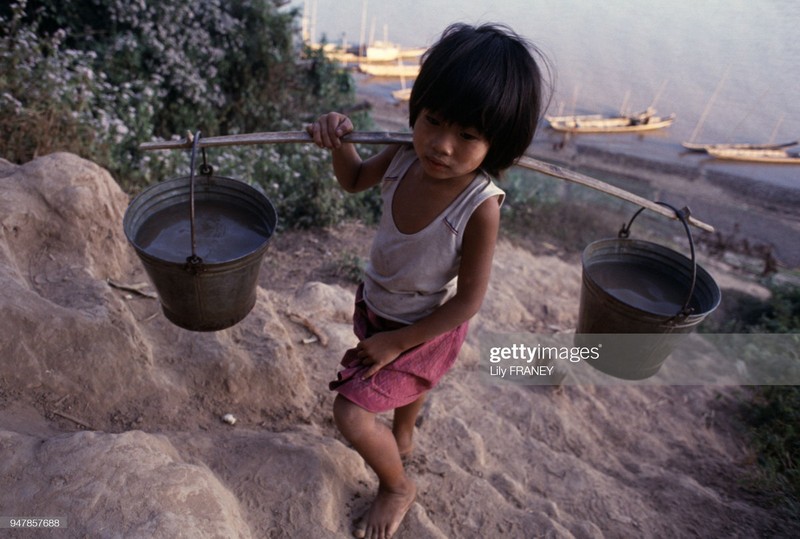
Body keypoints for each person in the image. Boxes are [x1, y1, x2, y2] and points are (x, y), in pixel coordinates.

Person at [308, 22, 550, 539]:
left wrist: (398, 342)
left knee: (350, 413)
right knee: (400, 382)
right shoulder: (401, 155)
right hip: (379, 304)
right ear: (416, 109)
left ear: (498, 144)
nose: (441, 145)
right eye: (433, 121)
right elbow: (352, 180)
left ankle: (396, 484)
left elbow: (468, 302)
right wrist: (336, 139)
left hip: (423, 325)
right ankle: (404, 432)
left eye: (467, 135)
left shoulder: (479, 207)